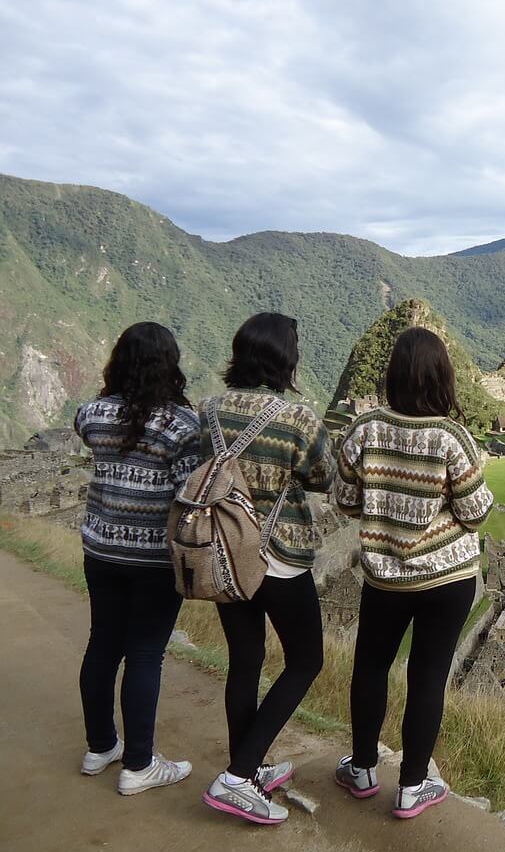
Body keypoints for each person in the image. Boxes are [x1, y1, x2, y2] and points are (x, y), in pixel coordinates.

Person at [332, 326, 494, 819]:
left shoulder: (364, 430)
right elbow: (477, 512)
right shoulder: (450, 436)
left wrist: (385, 504)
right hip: (448, 581)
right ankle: (413, 785)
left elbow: (344, 499)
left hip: (386, 578)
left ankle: (361, 768)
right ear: (442, 378)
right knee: (428, 678)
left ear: (393, 376)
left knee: (371, 668)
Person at [199, 313, 335, 825]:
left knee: (245, 662)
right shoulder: (296, 419)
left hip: (225, 558)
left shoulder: (208, 411)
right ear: (286, 360)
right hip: (278, 560)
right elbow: (325, 476)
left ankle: (248, 770)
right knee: (305, 661)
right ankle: (236, 776)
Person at [75, 322, 199, 795]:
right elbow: (190, 492)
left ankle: (100, 746)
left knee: (103, 643)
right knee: (145, 652)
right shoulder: (181, 426)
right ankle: (139, 764)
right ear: (170, 365)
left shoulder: (93, 414)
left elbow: (88, 429)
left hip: (101, 548)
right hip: (153, 558)